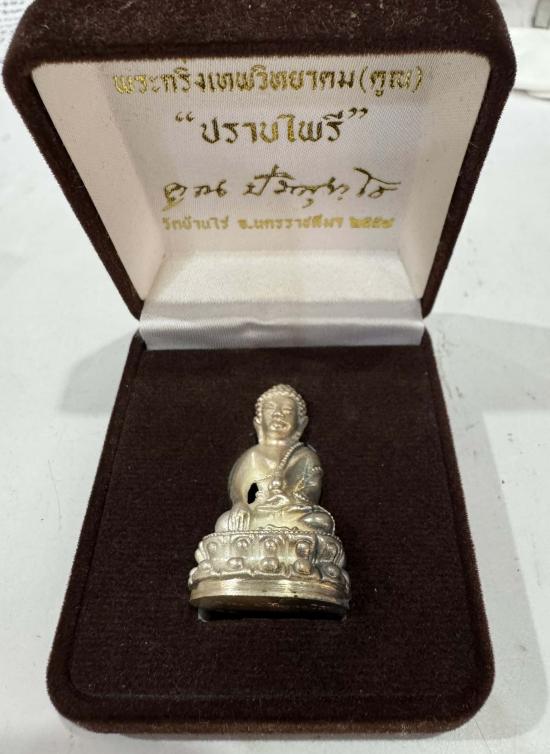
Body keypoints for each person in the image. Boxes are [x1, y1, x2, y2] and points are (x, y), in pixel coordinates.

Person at [215, 384, 334, 534]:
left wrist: (288, 497)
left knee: (321, 521)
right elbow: (237, 490)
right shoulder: (252, 455)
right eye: (270, 408)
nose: (278, 414)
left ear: (301, 423)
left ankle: (264, 536)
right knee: (225, 523)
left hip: (291, 513)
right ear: (258, 420)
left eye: (287, 410)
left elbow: (312, 490)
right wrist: (239, 504)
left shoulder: (305, 456)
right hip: (256, 514)